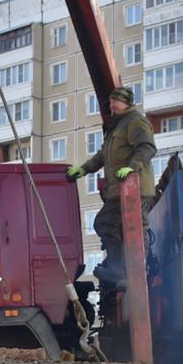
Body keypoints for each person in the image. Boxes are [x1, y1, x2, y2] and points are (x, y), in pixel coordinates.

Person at [66, 86, 157, 286]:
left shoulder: (135, 121)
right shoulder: (116, 126)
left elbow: (146, 148)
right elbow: (102, 156)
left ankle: (136, 267)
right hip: (119, 190)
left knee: (133, 228)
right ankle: (119, 268)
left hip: (135, 189)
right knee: (106, 224)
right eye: (111, 100)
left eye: (116, 100)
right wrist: (83, 170)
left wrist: (132, 169)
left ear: (127, 102)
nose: (111, 104)